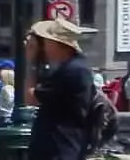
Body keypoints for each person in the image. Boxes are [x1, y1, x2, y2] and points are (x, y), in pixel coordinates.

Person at [26, 18, 99, 160]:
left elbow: (30, 97)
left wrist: (30, 61)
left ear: (56, 44)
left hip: (60, 150)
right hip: (61, 149)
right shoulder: (73, 67)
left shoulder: (72, 71)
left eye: (44, 41)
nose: (42, 46)